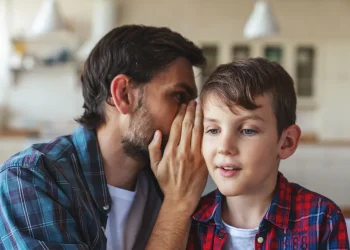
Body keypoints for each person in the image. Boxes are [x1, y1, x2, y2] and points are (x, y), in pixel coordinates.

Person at [0, 25, 209, 250]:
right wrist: (177, 206)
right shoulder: (30, 178)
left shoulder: (171, 179)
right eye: (178, 96)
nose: (193, 117)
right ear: (123, 95)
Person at [187, 58, 349, 249]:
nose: (225, 146)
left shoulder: (323, 219)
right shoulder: (188, 221)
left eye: (247, 130)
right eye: (213, 130)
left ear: (286, 142)